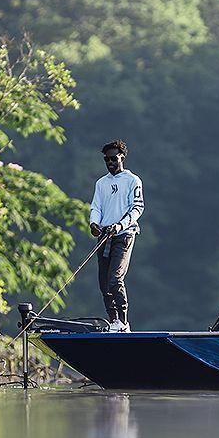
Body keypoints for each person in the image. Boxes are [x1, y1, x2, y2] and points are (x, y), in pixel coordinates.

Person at [89, 139, 144, 332]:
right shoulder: (101, 183)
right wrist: (94, 224)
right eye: (106, 160)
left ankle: (124, 322)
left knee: (115, 279)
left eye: (113, 159)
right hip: (104, 237)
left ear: (122, 157)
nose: (110, 163)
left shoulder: (132, 180)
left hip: (124, 235)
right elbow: (96, 207)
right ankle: (113, 322)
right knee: (104, 283)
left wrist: (120, 225)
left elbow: (137, 208)